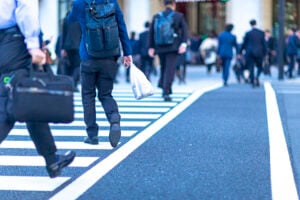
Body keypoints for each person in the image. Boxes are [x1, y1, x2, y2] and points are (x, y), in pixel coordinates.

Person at [0, 0, 75, 178]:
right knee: (13, 100)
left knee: (31, 97)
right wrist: (33, 45)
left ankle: (52, 159)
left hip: (6, 43)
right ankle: (52, 159)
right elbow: (25, 7)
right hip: (13, 41)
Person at [68, 0, 132, 147]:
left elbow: (70, 19)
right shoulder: (112, 3)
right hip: (110, 58)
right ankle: (114, 119)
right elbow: (122, 27)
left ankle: (92, 135)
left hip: (89, 58)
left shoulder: (80, 3)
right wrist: (127, 53)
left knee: (88, 95)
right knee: (106, 94)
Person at [148, 0, 188, 102]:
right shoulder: (179, 16)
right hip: (173, 46)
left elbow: (151, 32)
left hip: (160, 46)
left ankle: (164, 86)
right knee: (170, 69)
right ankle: (166, 91)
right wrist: (183, 44)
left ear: (164, 4)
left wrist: (151, 47)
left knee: (163, 67)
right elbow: (185, 31)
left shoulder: (157, 16)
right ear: (174, 4)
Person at [239, 19, 267, 87]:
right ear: (256, 23)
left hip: (250, 52)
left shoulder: (248, 33)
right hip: (259, 52)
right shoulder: (261, 33)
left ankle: (252, 80)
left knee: (250, 66)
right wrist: (265, 53)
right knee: (260, 66)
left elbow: (244, 43)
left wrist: (240, 52)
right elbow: (264, 44)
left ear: (250, 24)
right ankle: (257, 77)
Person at [61, 11, 81, 91]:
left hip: (68, 46)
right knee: (78, 66)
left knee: (70, 66)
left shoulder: (66, 19)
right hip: (78, 46)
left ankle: (70, 84)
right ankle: (73, 83)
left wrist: (63, 48)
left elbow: (63, 34)